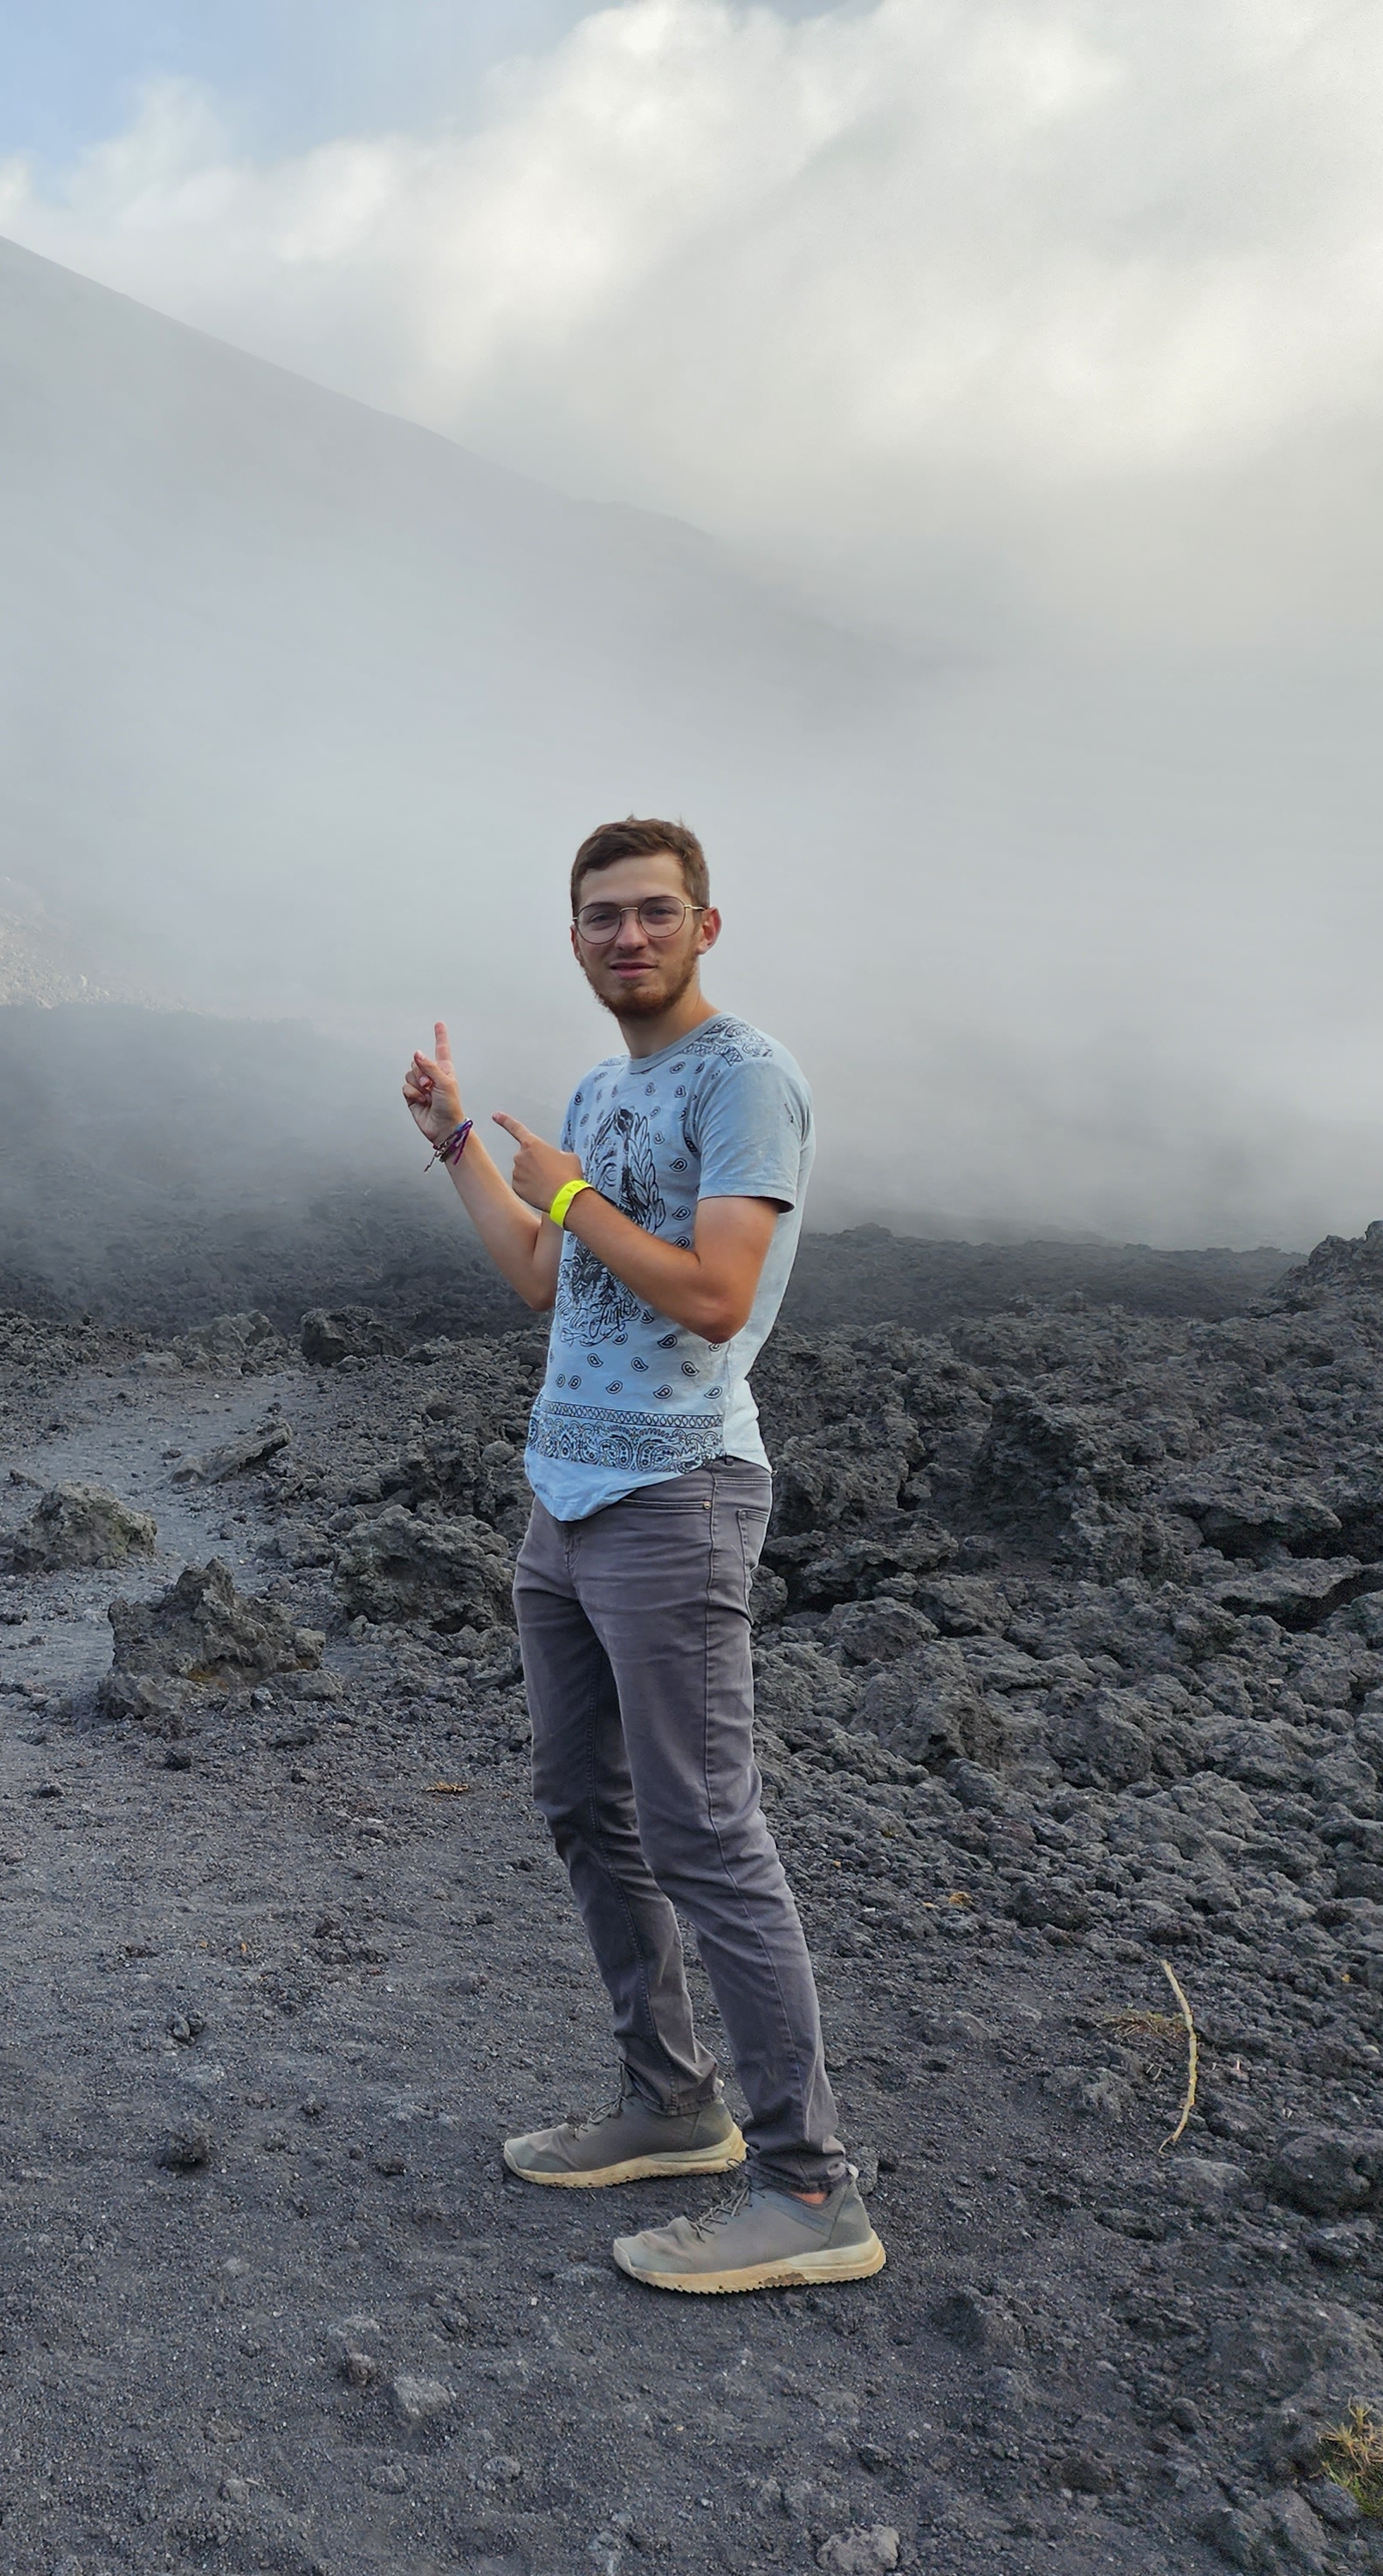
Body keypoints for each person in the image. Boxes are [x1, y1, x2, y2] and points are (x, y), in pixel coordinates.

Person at [399, 816, 883, 2293]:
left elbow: (719, 1291)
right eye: (603, 917)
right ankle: (674, 2105)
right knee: (583, 1807)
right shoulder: (604, 1086)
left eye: (656, 912)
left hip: (680, 1494)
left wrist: (567, 1192)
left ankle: (810, 2189)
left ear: (707, 928)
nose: (629, 936)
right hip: (569, 1493)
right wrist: (464, 1151)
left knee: (705, 1831)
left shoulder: (747, 1077)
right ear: (575, 938)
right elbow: (548, 1272)